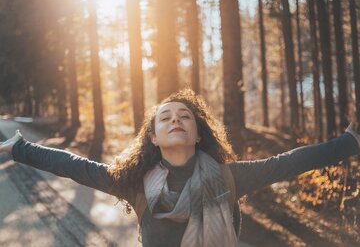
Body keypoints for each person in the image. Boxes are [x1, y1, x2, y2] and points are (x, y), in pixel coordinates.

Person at [1, 89, 360, 247]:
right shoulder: (133, 182)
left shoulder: (230, 178)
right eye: (166, 118)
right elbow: (72, 165)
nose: (175, 120)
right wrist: (19, 148)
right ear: (153, 137)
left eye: (184, 116)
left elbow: (290, 161)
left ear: (198, 133)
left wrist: (349, 143)